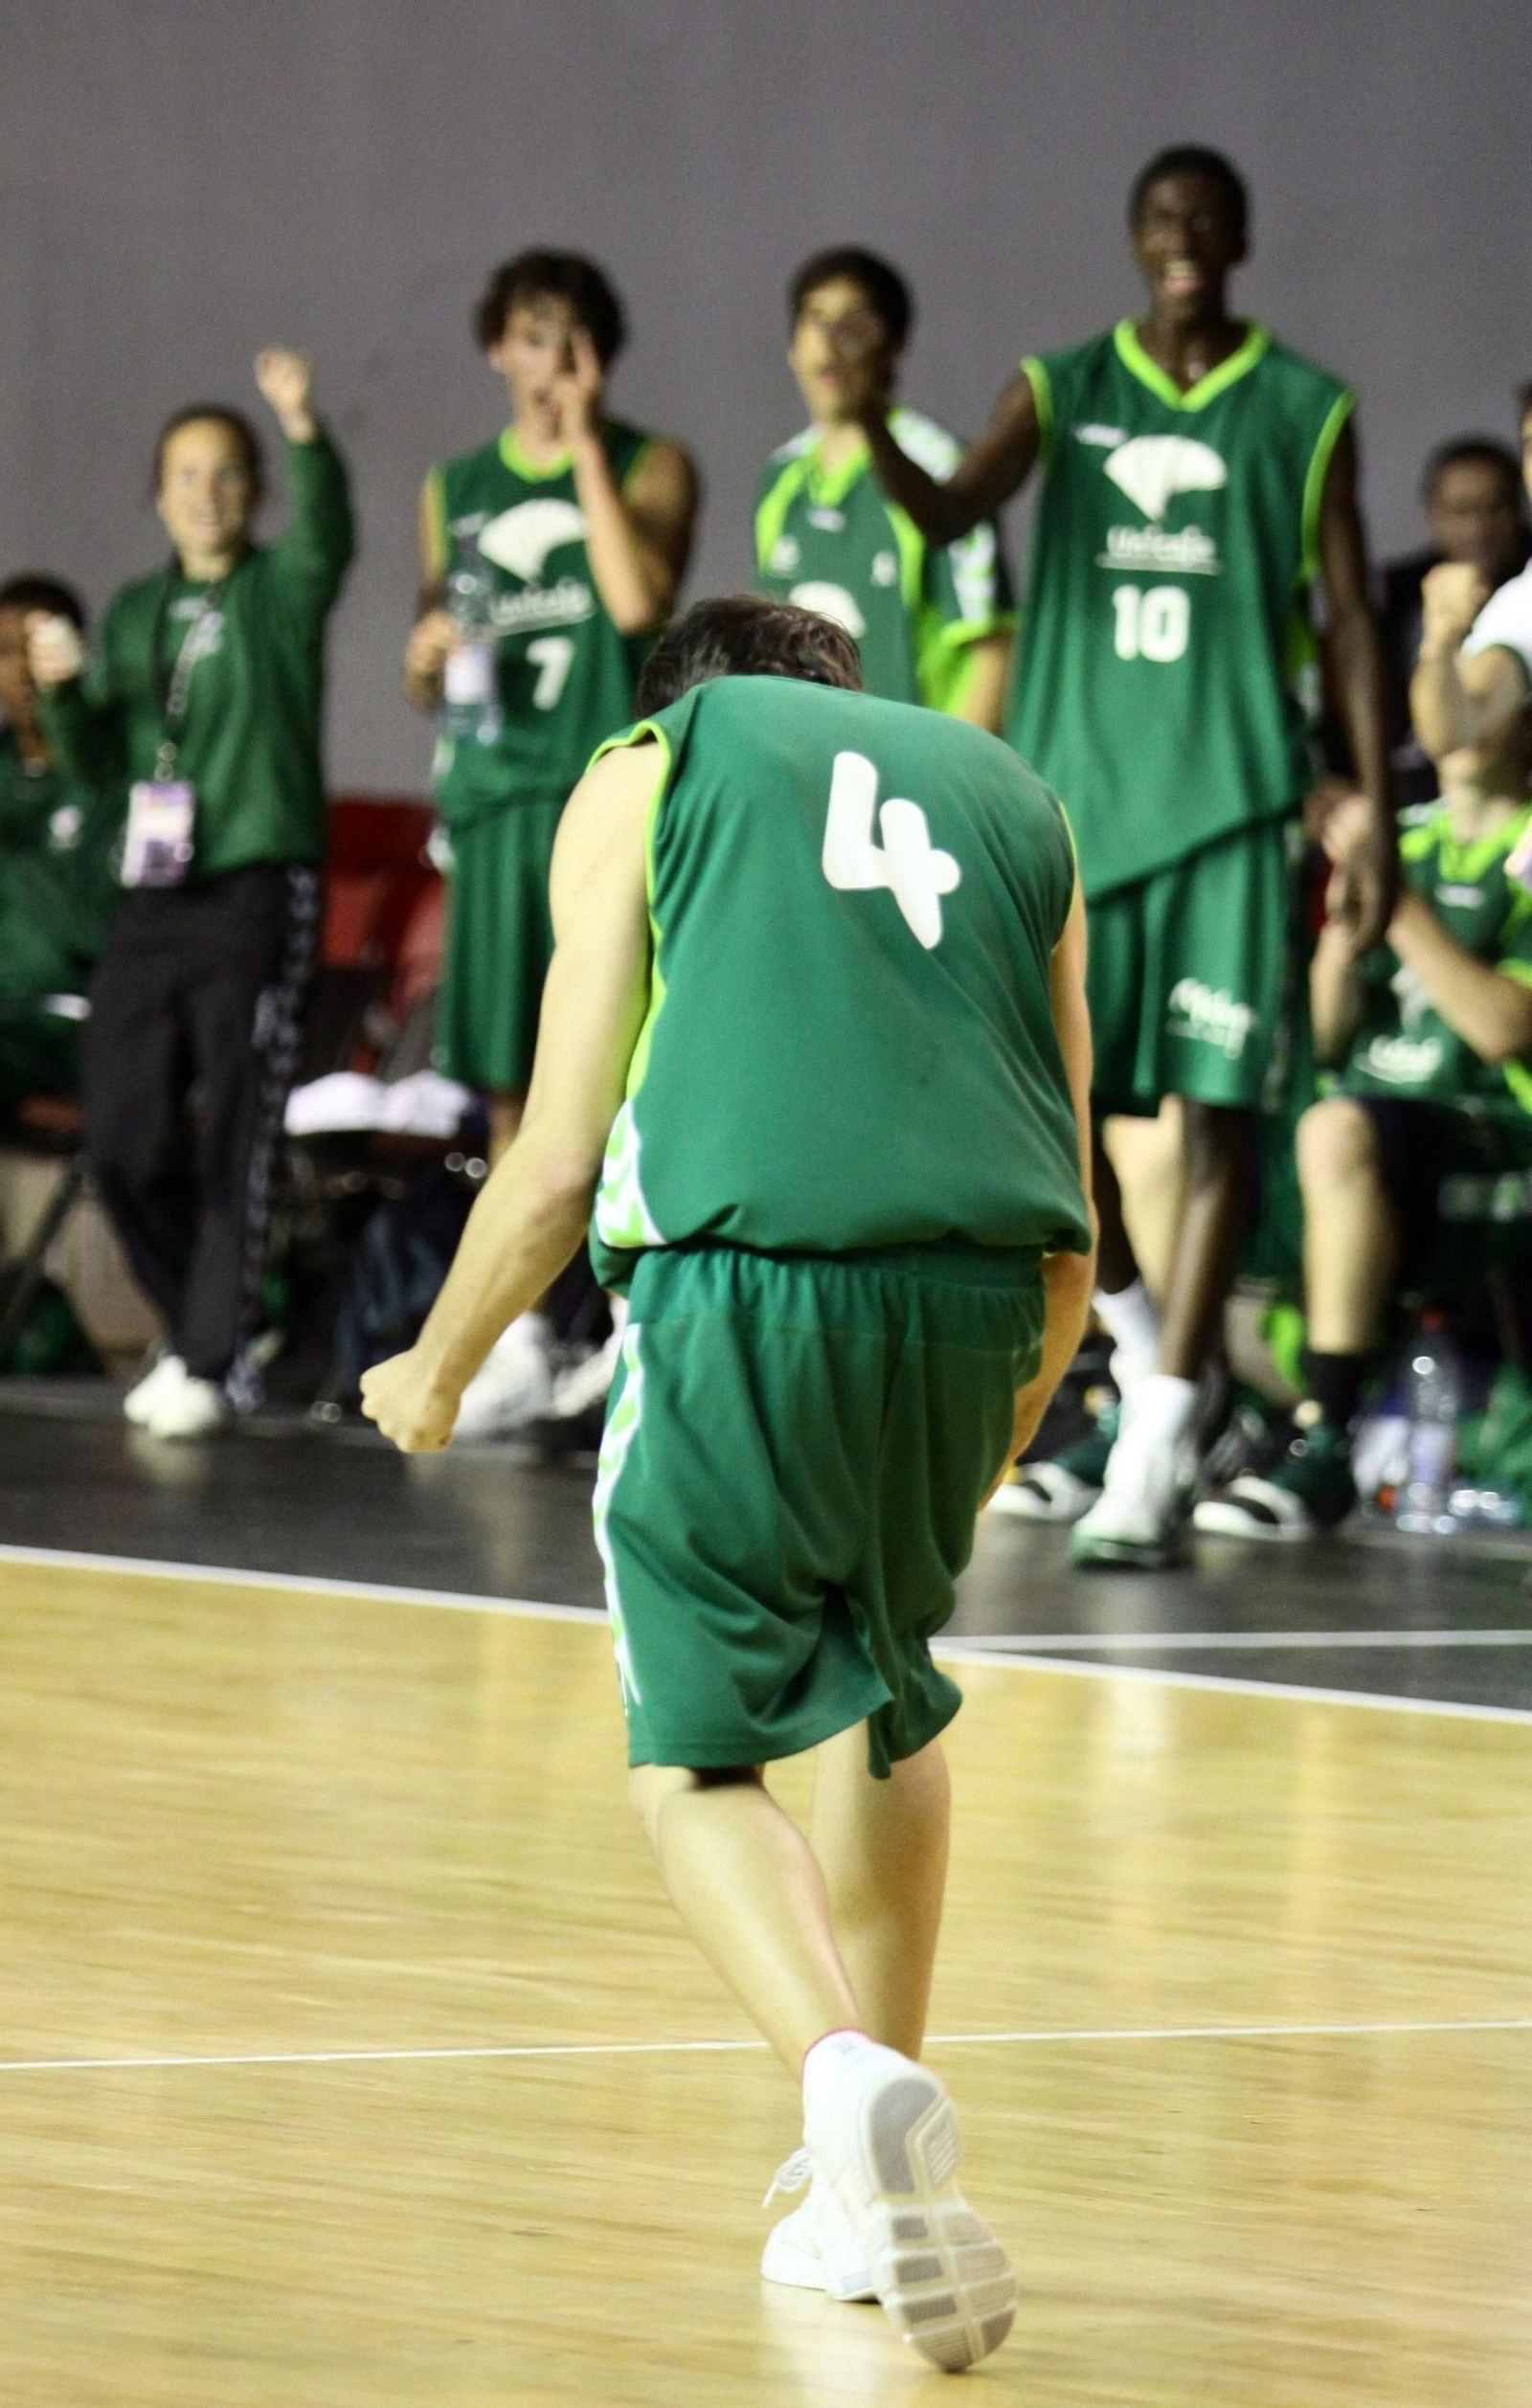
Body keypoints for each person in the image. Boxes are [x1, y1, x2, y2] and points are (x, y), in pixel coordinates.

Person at [361, 594, 1095, 2371]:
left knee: (694, 1760)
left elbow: (552, 1156)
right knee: (887, 1699)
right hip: (991, 1290)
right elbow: (1071, 1153)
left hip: (748, 1278)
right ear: (845, 695)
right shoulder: (1011, 790)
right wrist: (1019, 1394)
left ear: (675, 701)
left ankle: (844, 2082)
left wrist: (435, 1365)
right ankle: (861, 2189)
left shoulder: (652, 763)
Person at [838, 143, 1395, 1564]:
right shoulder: (1062, 383)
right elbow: (954, 511)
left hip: (1225, 805)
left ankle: (1151, 1435)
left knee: (1213, 1125)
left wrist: (1375, 801)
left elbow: (1342, 618)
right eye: (1161, 220)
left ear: (1243, 235)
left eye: (1207, 218)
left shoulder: (1303, 406)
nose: (1184, 239)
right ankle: (1161, 1365)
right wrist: (874, 417)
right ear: (1133, 238)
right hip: (1081, 806)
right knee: (1056, 1129)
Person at [31, 351, 354, 1440]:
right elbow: (93, 767)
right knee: (121, 1134)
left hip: (256, 889)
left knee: (237, 1129)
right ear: (156, 491)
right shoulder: (133, 613)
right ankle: (217, 1326)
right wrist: (63, 690)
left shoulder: (277, 589)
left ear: (254, 490)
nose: (206, 492)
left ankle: (211, 1361)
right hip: (154, 895)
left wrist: (305, 429)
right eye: (185, 473)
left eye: (228, 474)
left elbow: (331, 539)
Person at [404, 251, 699, 1440]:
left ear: (601, 357)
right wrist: (420, 661)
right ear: (496, 348)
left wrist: (583, 445)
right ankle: (521, 1335)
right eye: (530, 339)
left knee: (621, 1065)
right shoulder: (455, 481)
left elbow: (640, 607)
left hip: (603, 795)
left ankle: (634, 1325)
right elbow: (439, 658)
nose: (547, 364)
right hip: (494, 801)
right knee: (508, 1088)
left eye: (571, 342)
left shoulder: (648, 462)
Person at [1196, 713, 1532, 1538]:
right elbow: (1333, 1031)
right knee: (1190, 1127)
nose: (1469, 711)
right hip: (1366, 1118)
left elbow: (1504, 1026)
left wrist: (1398, 902)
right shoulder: (1404, 832)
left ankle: (1328, 1438)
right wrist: (1342, 944)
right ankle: (1176, 1406)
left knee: (1335, 1132)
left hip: (1493, 1132)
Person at [755, 247, 1012, 725]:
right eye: (816, 318)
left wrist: (942, 783)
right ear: (792, 347)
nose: (832, 342)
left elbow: (993, 649)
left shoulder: (940, 470)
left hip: (911, 780)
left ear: (891, 344)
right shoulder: (781, 478)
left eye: (852, 322)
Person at [1343, 435, 1528, 812]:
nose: (1480, 527)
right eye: (1463, 510)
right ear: (1433, 512)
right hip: (1417, 795)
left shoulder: (1523, 588)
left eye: (1496, 508)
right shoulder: (1394, 593)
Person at [0, 576, 118, 1115]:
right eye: (6, 651)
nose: (22, 669)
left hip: (68, 1024)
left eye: (37, 648)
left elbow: (98, 920)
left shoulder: (109, 771)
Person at [1410, 383, 1532, 766]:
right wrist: (1439, 643)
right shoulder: (1522, 600)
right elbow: (1451, 728)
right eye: (1531, 446)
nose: (1479, 528)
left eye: (1493, 507)